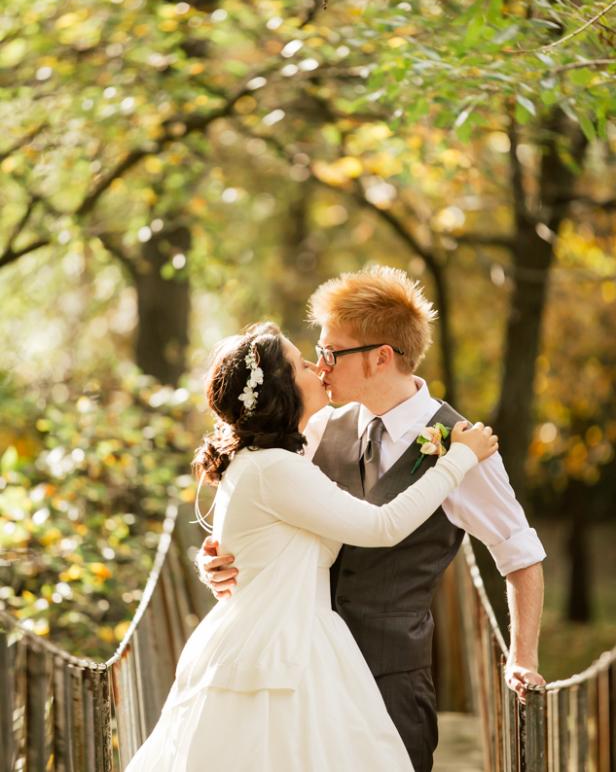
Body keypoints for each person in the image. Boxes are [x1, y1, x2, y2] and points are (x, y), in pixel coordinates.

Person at [199, 267, 546, 772]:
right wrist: (222, 560)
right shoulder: (318, 425)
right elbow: (263, 507)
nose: (320, 367)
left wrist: (523, 657)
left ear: (382, 357)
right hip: (302, 673)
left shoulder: (463, 445)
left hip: (394, 681)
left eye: (332, 353)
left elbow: (519, 553)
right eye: (317, 353)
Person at [125, 322, 498, 772]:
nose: (317, 366)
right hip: (277, 653)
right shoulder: (275, 469)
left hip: (293, 640)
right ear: (283, 389)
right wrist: (458, 459)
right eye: (301, 363)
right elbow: (382, 526)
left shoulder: (277, 462)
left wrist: (220, 558)